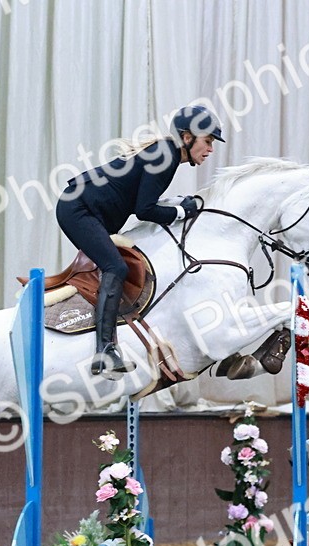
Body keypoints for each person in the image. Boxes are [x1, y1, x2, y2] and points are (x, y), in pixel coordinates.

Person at [56, 105, 225, 376]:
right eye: (208, 141)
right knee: (116, 267)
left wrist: (177, 206)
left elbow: (145, 204)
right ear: (187, 137)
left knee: (116, 265)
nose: (210, 149)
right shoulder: (166, 156)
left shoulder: (167, 154)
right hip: (78, 209)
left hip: (84, 208)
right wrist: (183, 211)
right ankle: (105, 351)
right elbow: (144, 210)